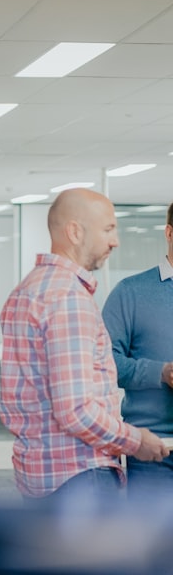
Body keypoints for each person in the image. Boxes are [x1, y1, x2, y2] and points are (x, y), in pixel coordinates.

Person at [0, 188, 168, 502]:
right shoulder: (68, 298)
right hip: (78, 476)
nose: (115, 241)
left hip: (43, 472)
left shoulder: (29, 289)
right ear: (75, 232)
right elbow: (75, 410)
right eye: (108, 229)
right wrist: (136, 440)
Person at [102, 202, 173, 495]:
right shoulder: (130, 292)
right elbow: (103, 365)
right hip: (154, 450)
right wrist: (160, 372)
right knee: (154, 540)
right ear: (170, 233)